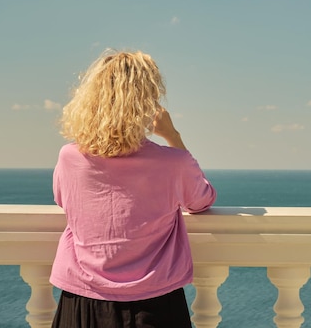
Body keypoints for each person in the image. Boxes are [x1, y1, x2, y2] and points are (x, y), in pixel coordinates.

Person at [49, 49, 216, 328]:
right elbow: (202, 201)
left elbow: (63, 200)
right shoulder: (173, 162)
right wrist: (173, 136)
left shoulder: (69, 157)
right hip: (155, 305)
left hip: (82, 302)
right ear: (147, 102)